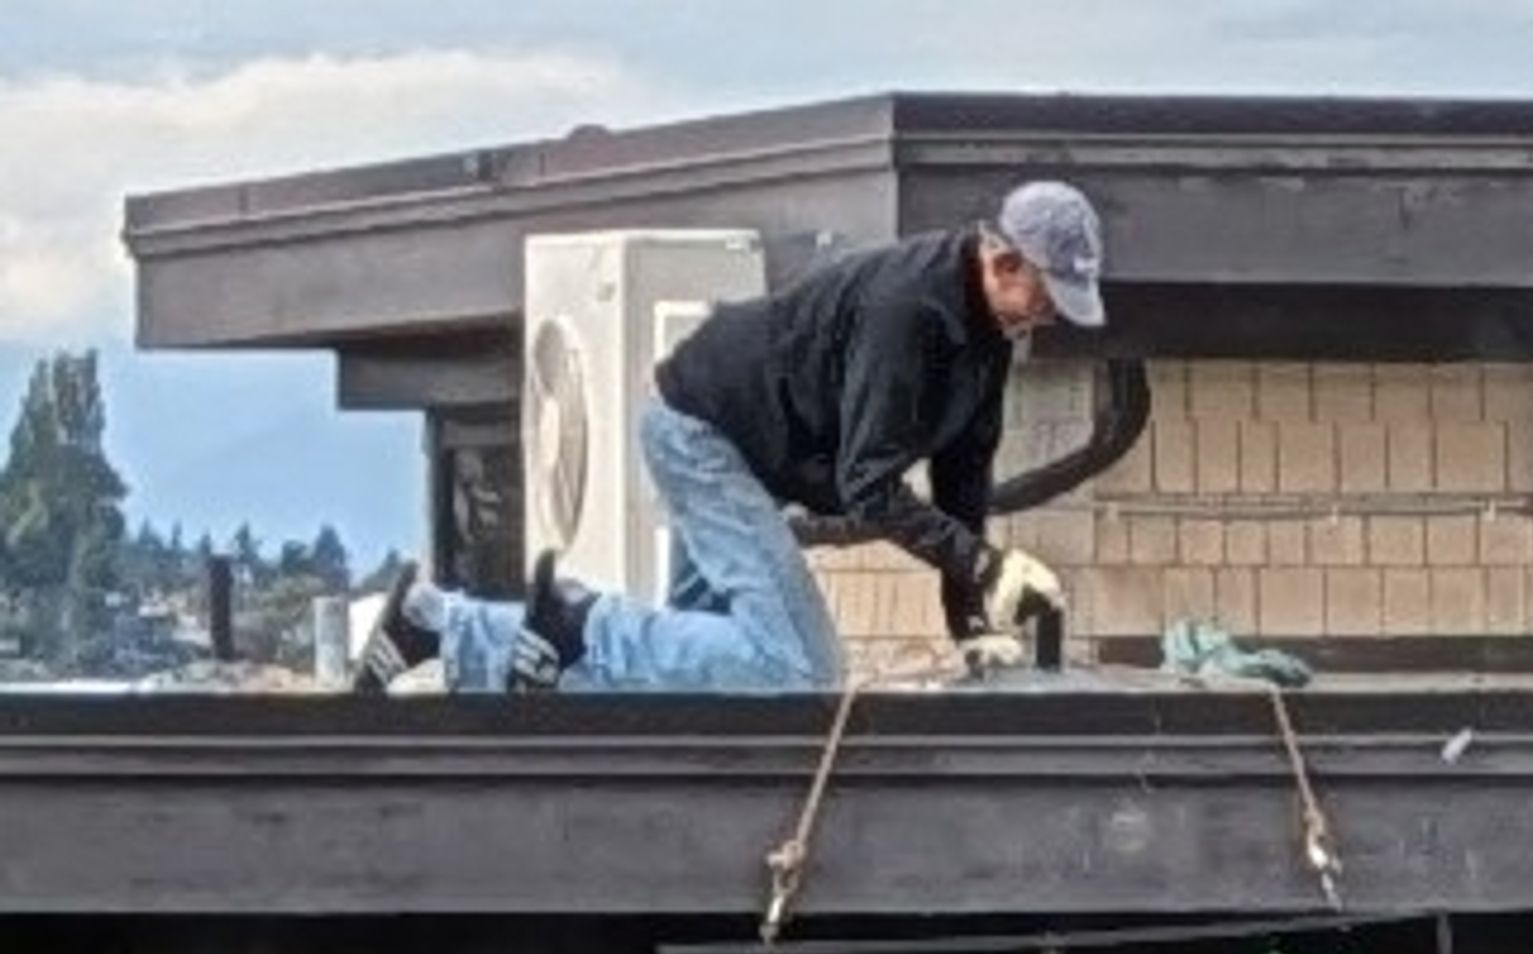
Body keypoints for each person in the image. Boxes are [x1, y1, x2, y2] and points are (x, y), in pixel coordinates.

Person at [353, 180, 1105, 696]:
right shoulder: (908, 313)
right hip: (704, 435)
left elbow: (962, 479)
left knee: (702, 674)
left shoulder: (990, 337)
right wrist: (984, 563)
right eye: (1045, 295)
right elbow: (867, 486)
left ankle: (443, 629)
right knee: (800, 669)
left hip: (743, 450)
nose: (1050, 316)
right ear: (1002, 260)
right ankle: (582, 620)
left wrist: (970, 617)